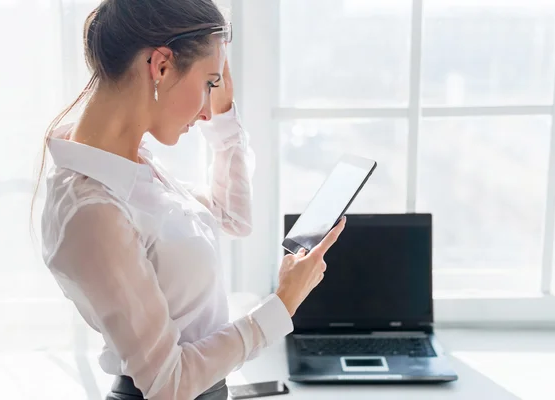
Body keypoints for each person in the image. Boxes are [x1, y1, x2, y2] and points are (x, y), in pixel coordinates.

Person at [32, 1, 346, 399]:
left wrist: (224, 120)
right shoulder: (92, 209)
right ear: (161, 67)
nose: (206, 110)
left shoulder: (131, 161)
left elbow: (230, 217)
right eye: (209, 83)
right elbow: (169, 384)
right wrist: (282, 305)